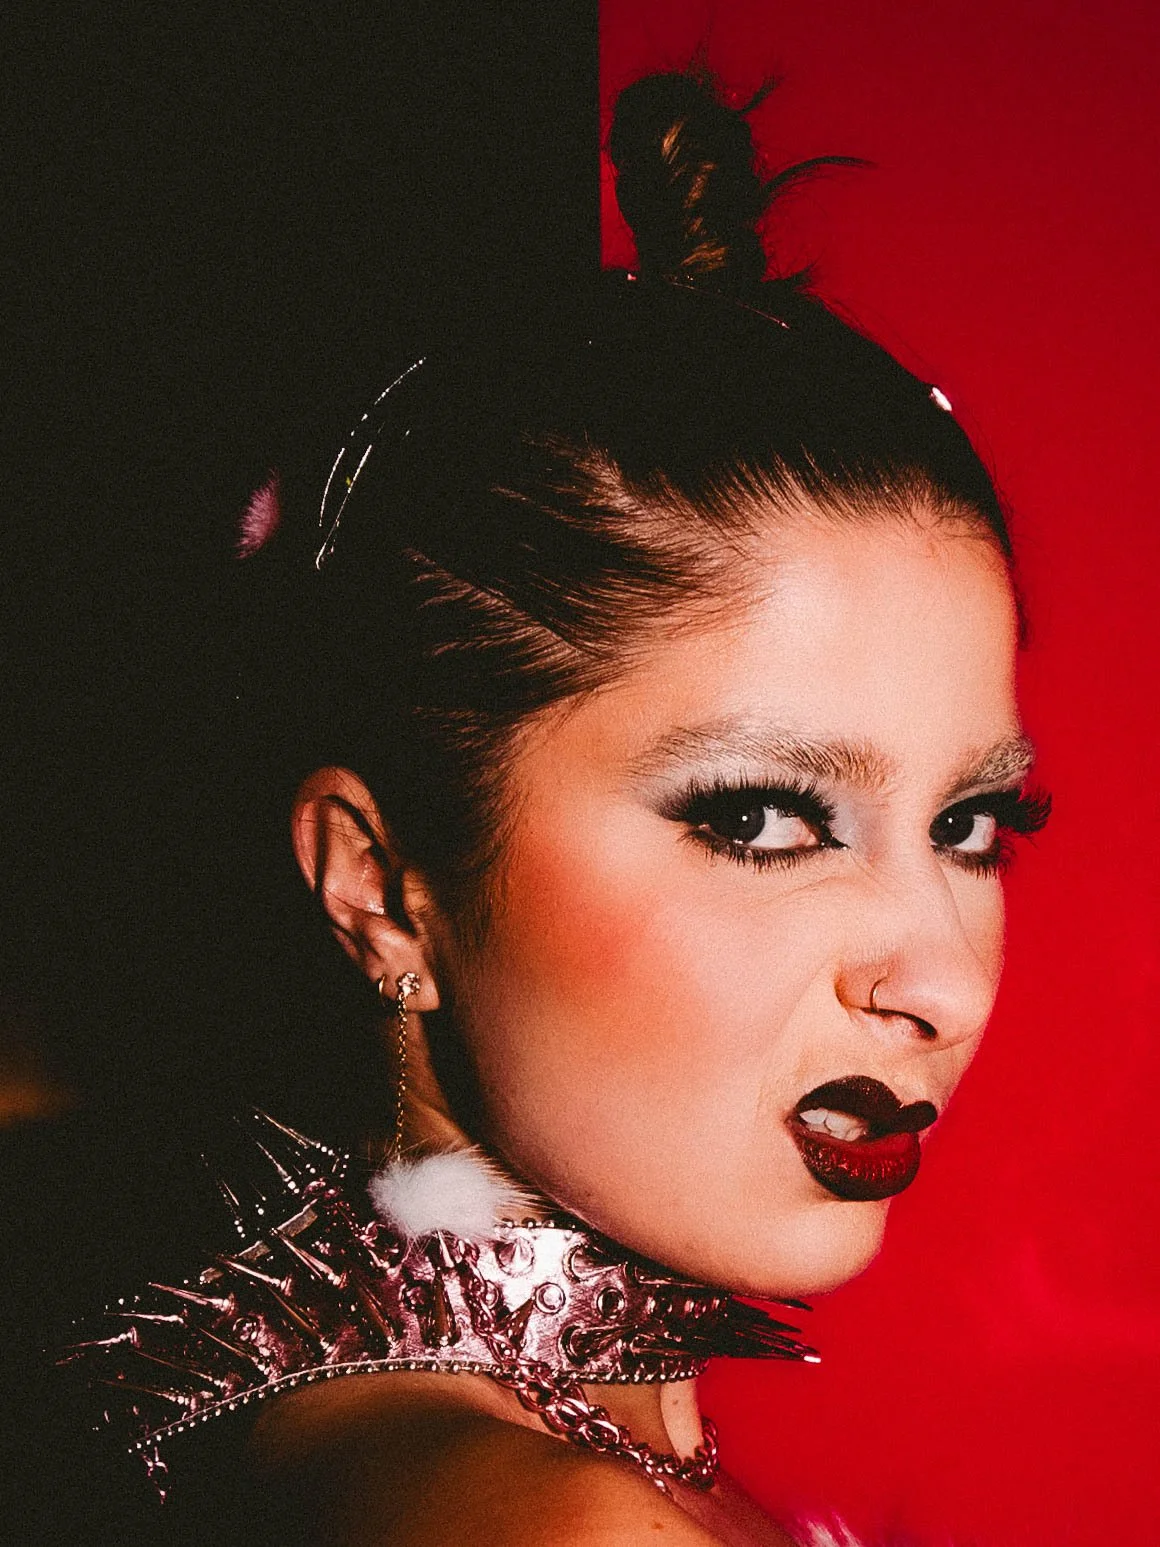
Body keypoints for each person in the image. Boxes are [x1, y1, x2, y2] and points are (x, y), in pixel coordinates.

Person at [66, 69, 1049, 1546]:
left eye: (971, 825)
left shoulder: (398, 1449)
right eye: (766, 820)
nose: (946, 983)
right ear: (383, 889)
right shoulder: (569, 1523)